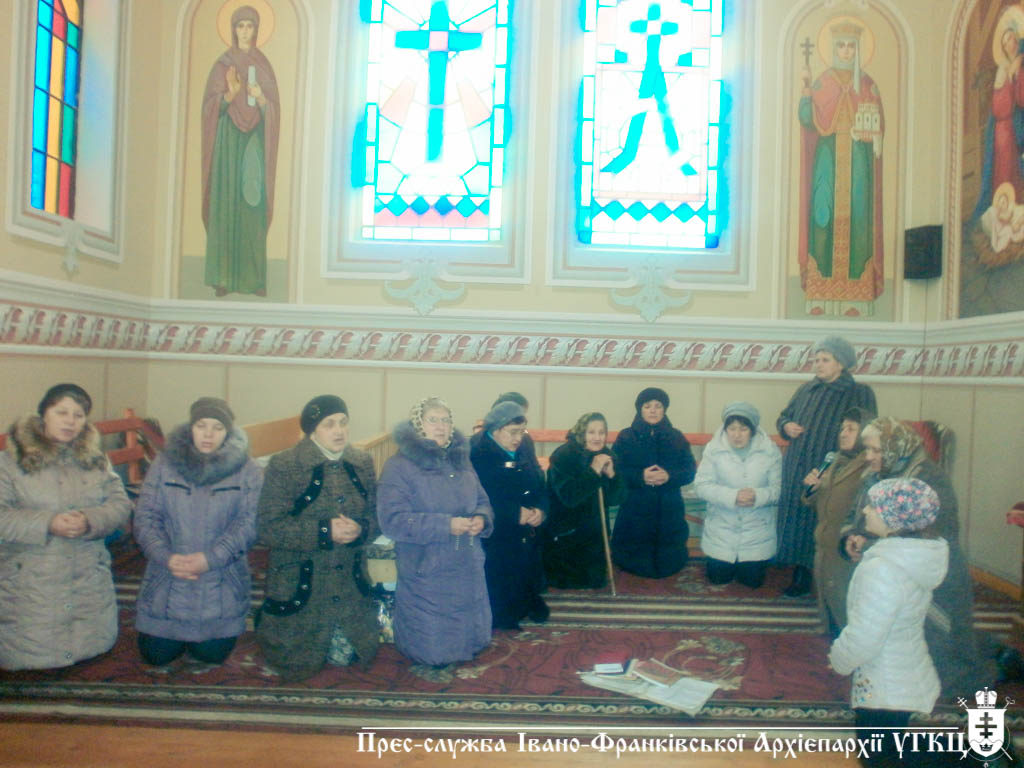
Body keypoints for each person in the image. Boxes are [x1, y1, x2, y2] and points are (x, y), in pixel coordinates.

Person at [841, 417, 1006, 697]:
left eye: (875, 450)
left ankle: (999, 668)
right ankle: (992, 650)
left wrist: (870, 545)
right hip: (899, 575)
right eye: (867, 449)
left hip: (936, 578)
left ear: (895, 448)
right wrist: (851, 538)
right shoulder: (874, 474)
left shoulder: (929, 479)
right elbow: (856, 516)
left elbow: (928, 535)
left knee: (948, 668)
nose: (868, 456)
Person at [0, 383, 131, 670]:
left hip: (87, 573)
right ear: (43, 414)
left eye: (78, 415)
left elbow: (120, 504)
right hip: (30, 576)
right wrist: (48, 523)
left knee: (93, 652)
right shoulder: (10, 462)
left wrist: (89, 520)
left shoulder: (96, 460)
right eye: (62, 412)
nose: (70, 421)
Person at [255, 395, 379, 680]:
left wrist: (361, 530)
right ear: (312, 430)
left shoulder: (362, 462)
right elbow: (269, 527)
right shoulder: (285, 465)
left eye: (343, 423)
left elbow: (377, 518)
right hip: (300, 583)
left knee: (348, 657)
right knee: (295, 658)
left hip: (349, 584)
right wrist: (325, 531)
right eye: (329, 424)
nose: (339, 431)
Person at [133, 397, 262, 666]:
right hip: (168, 582)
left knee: (210, 656)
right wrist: (166, 556)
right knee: (156, 656)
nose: (208, 434)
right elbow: (146, 516)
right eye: (202, 425)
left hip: (220, 587)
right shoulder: (164, 464)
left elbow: (250, 523)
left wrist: (210, 559)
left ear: (228, 432)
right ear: (191, 427)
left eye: (217, 427)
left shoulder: (248, 470)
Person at [829, 478, 947, 767]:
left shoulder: (882, 569)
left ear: (894, 518)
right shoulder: (911, 554)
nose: (865, 510)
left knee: (880, 758)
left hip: (885, 682)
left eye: (873, 506)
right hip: (902, 672)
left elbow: (865, 635)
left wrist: (839, 659)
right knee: (891, 750)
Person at [377, 397, 493, 677]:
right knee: (433, 646)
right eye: (433, 420)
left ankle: (468, 645)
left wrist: (481, 518)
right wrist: (445, 525)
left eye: (446, 420)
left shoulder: (461, 461)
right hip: (427, 563)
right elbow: (392, 520)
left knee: (469, 620)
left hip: (466, 557)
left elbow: (482, 500)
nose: (441, 426)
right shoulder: (399, 466)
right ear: (418, 425)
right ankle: (432, 655)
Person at [776, 336, 876, 597]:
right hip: (797, 466)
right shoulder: (806, 389)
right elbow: (784, 416)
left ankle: (825, 575)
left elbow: (866, 430)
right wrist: (786, 426)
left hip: (834, 469)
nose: (818, 364)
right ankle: (799, 570)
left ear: (841, 363)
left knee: (822, 520)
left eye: (825, 359)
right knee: (797, 519)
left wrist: (842, 465)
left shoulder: (859, 392)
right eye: (816, 359)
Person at [797, 19, 884, 316]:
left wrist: (873, 133)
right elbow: (807, 120)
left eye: (851, 46)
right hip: (828, 160)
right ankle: (820, 296)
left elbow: (879, 126)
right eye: (842, 46)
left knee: (859, 219)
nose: (846, 51)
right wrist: (806, 90)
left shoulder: (868, 84)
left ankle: (855, 298)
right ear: (834, 48)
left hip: (858, 162)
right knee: (822, 215)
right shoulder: (823, 82)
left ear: (858, 49)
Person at [200, 4, 280, 297]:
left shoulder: (264, 66)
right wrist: (228, 96)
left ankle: (254, 279)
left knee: (252, 204)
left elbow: (274, 112)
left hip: (254, 142)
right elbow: (209, 108)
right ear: (233, 30)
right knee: (226, 203)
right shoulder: (223, 65)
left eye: (250, 26)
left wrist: (261, 99)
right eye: (240, 26)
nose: (245, 31)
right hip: (227, 143)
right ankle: (223, 278)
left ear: (257, 30)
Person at [470, 401, 548, 630]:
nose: (518, 438)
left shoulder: (524, 446)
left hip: (527, 525)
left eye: (522, 432)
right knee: (502, 577)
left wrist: (540, 510)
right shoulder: (478, 452)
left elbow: (539, 482)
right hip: (495, 530)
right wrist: (513, 513)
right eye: (512, 432)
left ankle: (527, 601)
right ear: (495, 430)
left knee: (527, 564)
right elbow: (477, 496)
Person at [611, 387, 697, 579]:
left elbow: (689, 470)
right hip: (635, 502)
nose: (653, 410)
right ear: (639, 409)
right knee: (633, 549)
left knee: (669, 553)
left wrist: (669, 476)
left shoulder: (676, 436)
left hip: (669, 504)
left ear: (664, 410)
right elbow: (616, 470)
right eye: (647, 406)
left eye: (658, 406)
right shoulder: (626, 436)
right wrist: (640, 476)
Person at [694, 402, 781, 589]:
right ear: (725, 429)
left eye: (743, 429)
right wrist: (732, 496)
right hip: (721, 531)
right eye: (732, 429)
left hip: (756, 533)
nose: (737, 434)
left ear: (753, 430)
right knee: (718, 579)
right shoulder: (714, 449)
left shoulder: (770, 451)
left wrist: (758, 496)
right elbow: (701, 486)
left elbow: (779, 489)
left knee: (752, 583)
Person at [805, 406, 874, 635]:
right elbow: (820, 501)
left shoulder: (869, 465)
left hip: (845, 549)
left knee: (847, 608)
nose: (843, 434)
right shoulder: (836, 460)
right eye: (842, 428)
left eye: (851, 429)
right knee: (828, 605)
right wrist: (813, 488)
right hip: (824, 546)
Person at [542, 412, 625, 589]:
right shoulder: (564, 456)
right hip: (566, 528)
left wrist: (612, 476)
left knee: (594, 581)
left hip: (595, 531)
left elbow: (617, 498)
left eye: (601, 432)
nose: (597, 437)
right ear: (582, 433)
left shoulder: (608, 456)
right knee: (566, 581)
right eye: (591, 432)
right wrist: (593, 472)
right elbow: (569, 497)